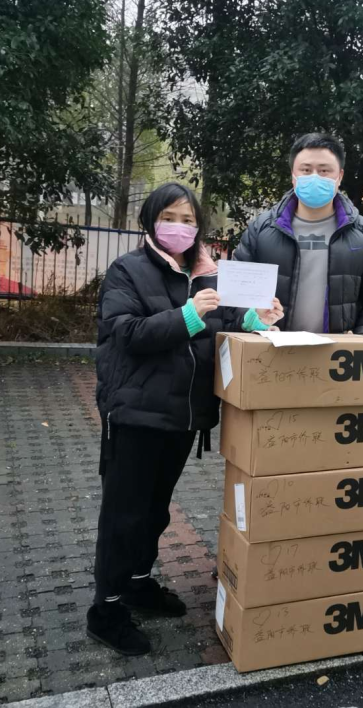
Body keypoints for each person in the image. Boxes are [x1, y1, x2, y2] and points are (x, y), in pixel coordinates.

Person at [88, 183, 282, 656]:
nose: (180, 227)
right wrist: (188, 316)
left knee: (155, 510)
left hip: (181, 416)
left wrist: (256, 319)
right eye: (169, 217)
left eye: (188, 219)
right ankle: (106, 610)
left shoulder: (208, 273)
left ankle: (137, 583)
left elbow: (226, 321)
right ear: (151, 221)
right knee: (124, 516)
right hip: (135, 415)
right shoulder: (127, 271)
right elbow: (126, 333)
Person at [233, 132, 363, 336]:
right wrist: (255, 322)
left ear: (340, 176)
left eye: (324, 170)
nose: (315, 177)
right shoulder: (262, 229)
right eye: (306, 170)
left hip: (336, 352)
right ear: (293, 176)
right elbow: (237, 293)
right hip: (271, 349)